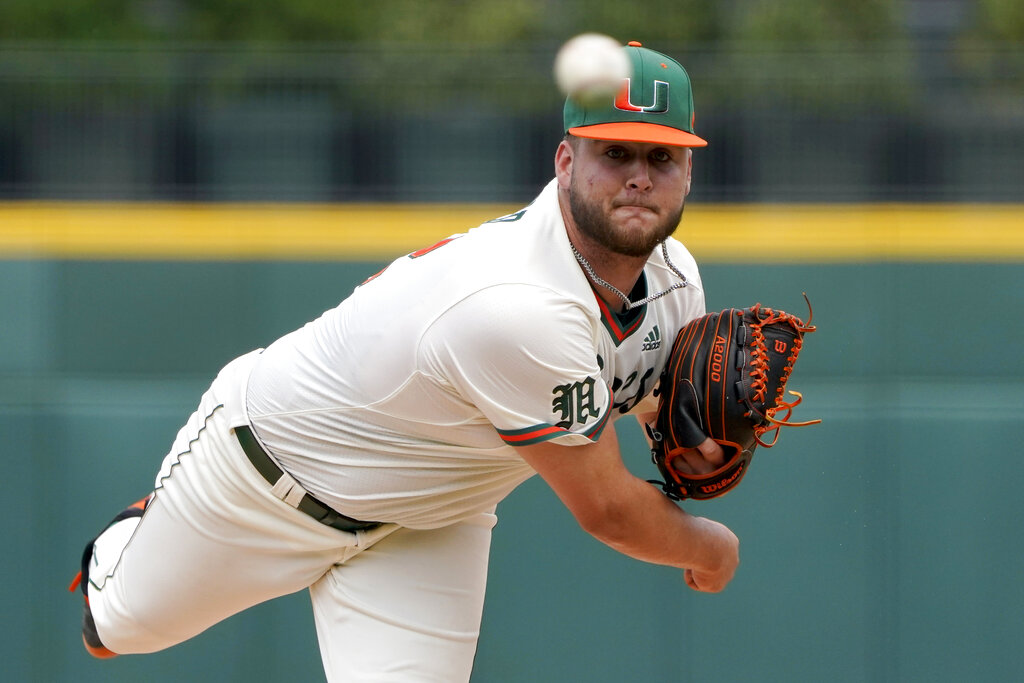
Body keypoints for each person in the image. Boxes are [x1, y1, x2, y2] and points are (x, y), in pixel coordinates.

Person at [69, 40, 739, 681]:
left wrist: (695, 446)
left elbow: (650, 405)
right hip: (265, 476)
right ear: (565, 162)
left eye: (663, 157)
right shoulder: (518, 303)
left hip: (430, 520)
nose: (638, 177)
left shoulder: (676, 279)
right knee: (116, 627)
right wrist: (711, 547)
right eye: (615, 152)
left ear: (689, 172)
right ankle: (132, 534)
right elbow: (608, 510)